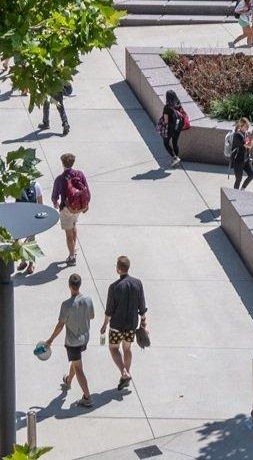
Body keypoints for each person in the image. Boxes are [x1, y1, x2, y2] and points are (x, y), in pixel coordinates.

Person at [45, 271, 95, 406]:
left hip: (73, 341)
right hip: (85, 338)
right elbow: (92, 316)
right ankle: (68, 381)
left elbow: (61, 324)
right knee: (75, 360)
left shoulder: (66, 305)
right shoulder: (88, 299)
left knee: (78, 367)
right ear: (79, 285)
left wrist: (50, 340)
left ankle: (87, 397)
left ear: (69, 286)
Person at [101, 255, 147, 391]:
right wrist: (144, 322)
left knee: (113, 348)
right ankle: (127, 373)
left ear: (118, 269)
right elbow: (142, 306)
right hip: (132, 324)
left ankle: (124, 373)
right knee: (127, 349)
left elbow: (109, 310)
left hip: (116, 325)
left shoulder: (114, 287)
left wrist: (104, 325)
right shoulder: (138, 283)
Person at [51, 151, 90, 265]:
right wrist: (86, 205)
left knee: (68, 234)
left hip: (67, 208)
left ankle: (72, 257)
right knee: (74, 226)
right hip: (78, 208)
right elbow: (87, 190)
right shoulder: (80, 174)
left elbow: (55, 195)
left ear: (62, 164)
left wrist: (55, 203)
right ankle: (73, 248)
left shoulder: (60, 179)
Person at [158, 89, 189, 164]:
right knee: (175, 143)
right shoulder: (178, 104)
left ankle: (175, 158)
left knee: (166, 143)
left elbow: (166, 121)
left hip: (170, 128)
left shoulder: (167, 107)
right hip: (178, 127)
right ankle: (177, 159)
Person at [227, 118, 253, 191]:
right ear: (241, 126)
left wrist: (250, 136)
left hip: (246, 160)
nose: (247, 128)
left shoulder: (245, 133)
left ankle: (242, 189)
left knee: (252, 175)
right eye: (246, 126)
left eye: (248, 126)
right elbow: (249, 146)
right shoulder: (237, 135)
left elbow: (248, 145)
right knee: (238, 179)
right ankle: (235, 193)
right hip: (238, 161)